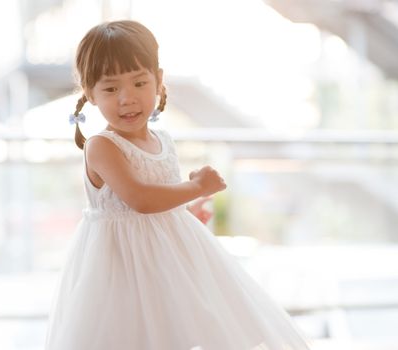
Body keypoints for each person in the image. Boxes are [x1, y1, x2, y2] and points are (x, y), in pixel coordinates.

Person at [45, 20, 311, 350]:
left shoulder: (163, 140)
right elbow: (140, 199)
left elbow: (159, 200)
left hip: (166, 265)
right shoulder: (102, 146)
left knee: (182, 332)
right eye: (111, 89)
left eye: (139, 82)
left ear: (158, 81)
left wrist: (187, 210)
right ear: (90, 94)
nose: (127, 98)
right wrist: (198, 187)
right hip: (121, 270)